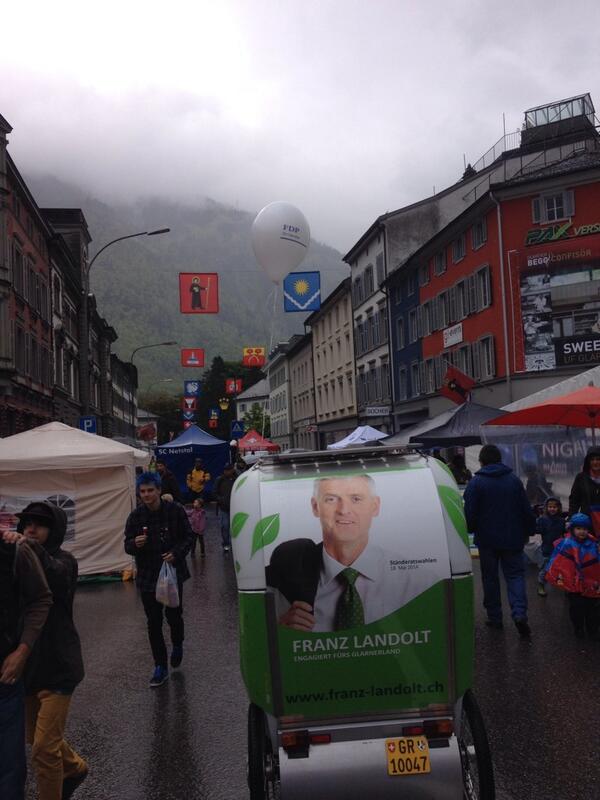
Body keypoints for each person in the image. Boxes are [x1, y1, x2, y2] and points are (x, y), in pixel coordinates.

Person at [266, 474, 440, 632]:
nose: (344, 510)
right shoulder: (282, 584)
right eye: (331, 499)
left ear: (375, 506)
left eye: (356, 499)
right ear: (315, 507)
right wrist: (281, 634)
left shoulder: (420, 583)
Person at [5, 502, 87, 800]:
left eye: (39, 524)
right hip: (28, 666)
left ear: (55, 530)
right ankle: (75, 768)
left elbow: (55, 577)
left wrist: (29, 547)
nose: (31, 529)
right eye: (27, 523)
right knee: (34, 738)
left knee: (43, 749)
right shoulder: (16, 560)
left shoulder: (65, 561)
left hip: (59, 666)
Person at [124, 472, 193, 687]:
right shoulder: (135, 517)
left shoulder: (175, 511)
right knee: (153, 623)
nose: (146, 495)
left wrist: (176, 553)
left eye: (150, 490)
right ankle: (160, 666)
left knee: (173, 615)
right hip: (148, 576)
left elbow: (188, 537)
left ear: (159, 490)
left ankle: (178, 643)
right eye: (143, 491)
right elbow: (127, 545)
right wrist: (135, 544)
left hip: (171, 574)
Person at [0, 528, 52, 800]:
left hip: (4, 679)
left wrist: (23, 650)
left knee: (9, 775)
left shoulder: (13, 550)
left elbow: (41, 598)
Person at [464, 444, 536, 637]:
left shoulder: (476, 483)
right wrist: (530, 529)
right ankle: (519, 614)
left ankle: (495, 618)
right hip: (513, 537)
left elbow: (470, 513)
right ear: (499, 460)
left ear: (481, 461)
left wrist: (471, 528)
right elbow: (525, 508)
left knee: (490, 578)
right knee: (515, 576)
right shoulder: (513, 480)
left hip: (487, 540)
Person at [545, 513, 600, 639]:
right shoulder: (567, 544)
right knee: (577, 608)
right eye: (578, 528)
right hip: (574, 584)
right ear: (572, 529)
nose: (582, 531)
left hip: (591, 583)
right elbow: (560, 562)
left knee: (593, 608)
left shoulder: (593, 543)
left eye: (585, 529)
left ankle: (593, 630)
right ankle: (578, 628)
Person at [535, 496, 566, 597]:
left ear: (558, 508)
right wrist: (536, 523)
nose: (552, 509)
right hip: (547, 548)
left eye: (554, 507)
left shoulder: (561, 521)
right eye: (550, 507)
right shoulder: (543, 520)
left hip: (558, 549)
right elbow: (537, 530)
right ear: (546, 508)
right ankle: (541, 585)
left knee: (561, 568)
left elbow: (564, 532)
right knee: (545, 568)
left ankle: (563, 584)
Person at [568, 446, 600, 536]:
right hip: (586, 524)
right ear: (588, 461)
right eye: (592, 459)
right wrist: (571, 519)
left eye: (598, 459)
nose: (595, 462)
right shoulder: (581, 478)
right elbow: (574, 501)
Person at [214, 464, 236, 552]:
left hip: (235, 507)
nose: (227, 472)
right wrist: (221, 500)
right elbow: (214, 492)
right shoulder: (219, 480)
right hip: (224, 508)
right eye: (226, 470)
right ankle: (226, 544)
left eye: (229, 470)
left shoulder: (236, 479)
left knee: (234, 527)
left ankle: (234, 543)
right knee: (225, 526)